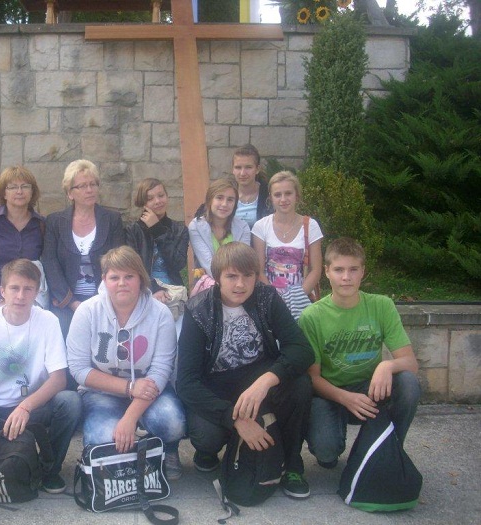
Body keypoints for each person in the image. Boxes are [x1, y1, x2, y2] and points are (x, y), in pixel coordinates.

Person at [177, 242, 314, 499]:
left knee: (300, 384)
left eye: (247, 275)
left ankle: (292, 464)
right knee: (206, 436)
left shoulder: (266, 297)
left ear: (256, 276)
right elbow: (186, 383)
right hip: (217, 389)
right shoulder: (198, 310)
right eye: (231, 276)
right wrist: (236, 419)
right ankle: (213, 451)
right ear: (217, 278)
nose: (240, 284)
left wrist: (268, 379)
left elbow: (302, 349)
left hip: (257, 382)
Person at [0, 259, 81, 493]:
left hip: (33, 406)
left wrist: (25, 407)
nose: (20, 296)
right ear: (2, 291)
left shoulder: (48, 321)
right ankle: (14, 457)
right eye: (14, 288)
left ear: (37, 292)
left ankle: (50, 469)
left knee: (70, 402)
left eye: (28, 289)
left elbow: (59, 378)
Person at [298, 237, 421, 470]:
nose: (346, 277)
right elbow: (312, 378)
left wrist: (386, 366)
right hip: (330, 393)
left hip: (370, 390)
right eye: (339, 270)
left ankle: (391, 448)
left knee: (408, 383)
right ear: (327, 272)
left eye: (353, 269)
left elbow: (410, 363)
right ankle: (330, 443)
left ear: (363, 272)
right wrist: (345, 397)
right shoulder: (312, 317)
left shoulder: (381, 306)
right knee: (326, 452)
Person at [67, 246, 186, 480]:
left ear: (141, 279)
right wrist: (129, 387)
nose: (122, 283)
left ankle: (166, 450)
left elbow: (161, 369)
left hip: (150, 390)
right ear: (104, 280)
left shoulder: (160, 314)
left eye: (129, 276)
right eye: (114, 277)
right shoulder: (87, 312)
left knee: (171, 421)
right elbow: (78, 369)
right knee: (101, 437)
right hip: (101, 392)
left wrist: (130, 418)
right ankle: (129, 456)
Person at [42, 159, 124, 337]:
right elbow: (50, 262)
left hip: (104, 298)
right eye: (82, 186)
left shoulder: (112, 219)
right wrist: (72, 302)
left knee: (104, 339)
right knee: (62, 333)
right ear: (70, 193)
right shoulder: (55, 222)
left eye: (93, 184)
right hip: (66, 301)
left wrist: (101, 300)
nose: (89, 190)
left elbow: (119, 261)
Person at [251, 171, 323, 319]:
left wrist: (297, 299)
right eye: (278, 195)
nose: (283, 199)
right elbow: (259, 271)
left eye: (288, 193)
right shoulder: (261, 227)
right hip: (270, 300)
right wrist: (276, 300)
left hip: (302, 300)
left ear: (297, 195)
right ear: (270, 197)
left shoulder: (311, 226)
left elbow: (316, 270)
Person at [0, 166, 45, 314]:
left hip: (29, 289)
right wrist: (0, 297)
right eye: (12, 187)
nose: (19, 191)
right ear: (4, 193)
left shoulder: (41, 224)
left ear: (32, 191)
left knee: (35, 319)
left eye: (25, 186)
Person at [125, 178, 188, 330]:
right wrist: (153, 288)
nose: (158, 201)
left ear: (167, 196)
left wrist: (157, 230)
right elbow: (131, 267)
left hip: (172, 292)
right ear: (143, 203)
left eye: (161, 195)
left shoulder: (179, 229)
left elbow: (178, 263)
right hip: (143, 289)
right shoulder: (133, 230)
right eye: (150, 198)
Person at [195, 145, 271, 230]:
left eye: (248, 167)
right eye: (238, 167)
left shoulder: (270, 195)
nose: (242, 173)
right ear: (233, 169)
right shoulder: (223, 191)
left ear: (257, 169)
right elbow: (201, 217)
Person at [188, 178, 251, 279]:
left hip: (238, 282)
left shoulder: (243, 227)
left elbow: (243, 262)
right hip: (209, 283)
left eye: (230, 200)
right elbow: (208, 265)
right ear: (210, 200)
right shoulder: (196, 227)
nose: (224, 204)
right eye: (219, 198)